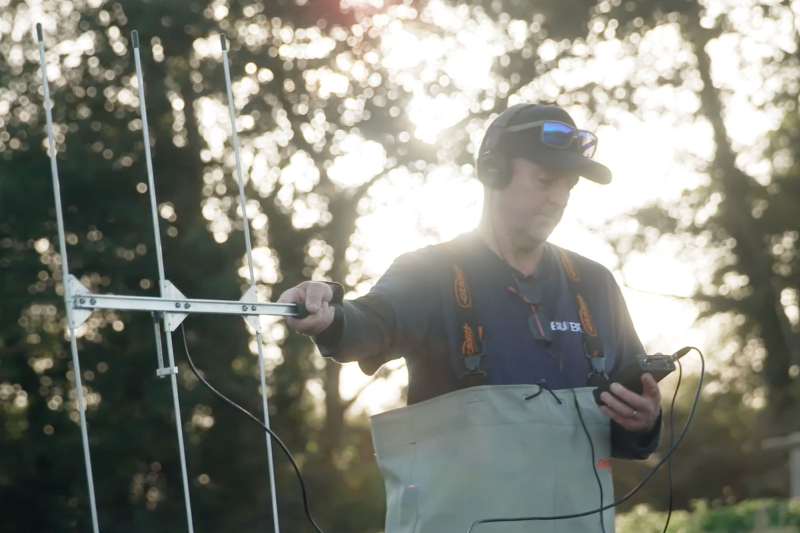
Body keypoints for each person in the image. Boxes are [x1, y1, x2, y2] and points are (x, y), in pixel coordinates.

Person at [279, 103, 663, 533]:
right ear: (493, 171)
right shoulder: (431, 272)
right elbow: (368, 324)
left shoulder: (594, 284)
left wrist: (645, 421)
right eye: (544, 179)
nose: (558, 196)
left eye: (568, 185)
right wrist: (327, 314)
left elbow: (631, 423)